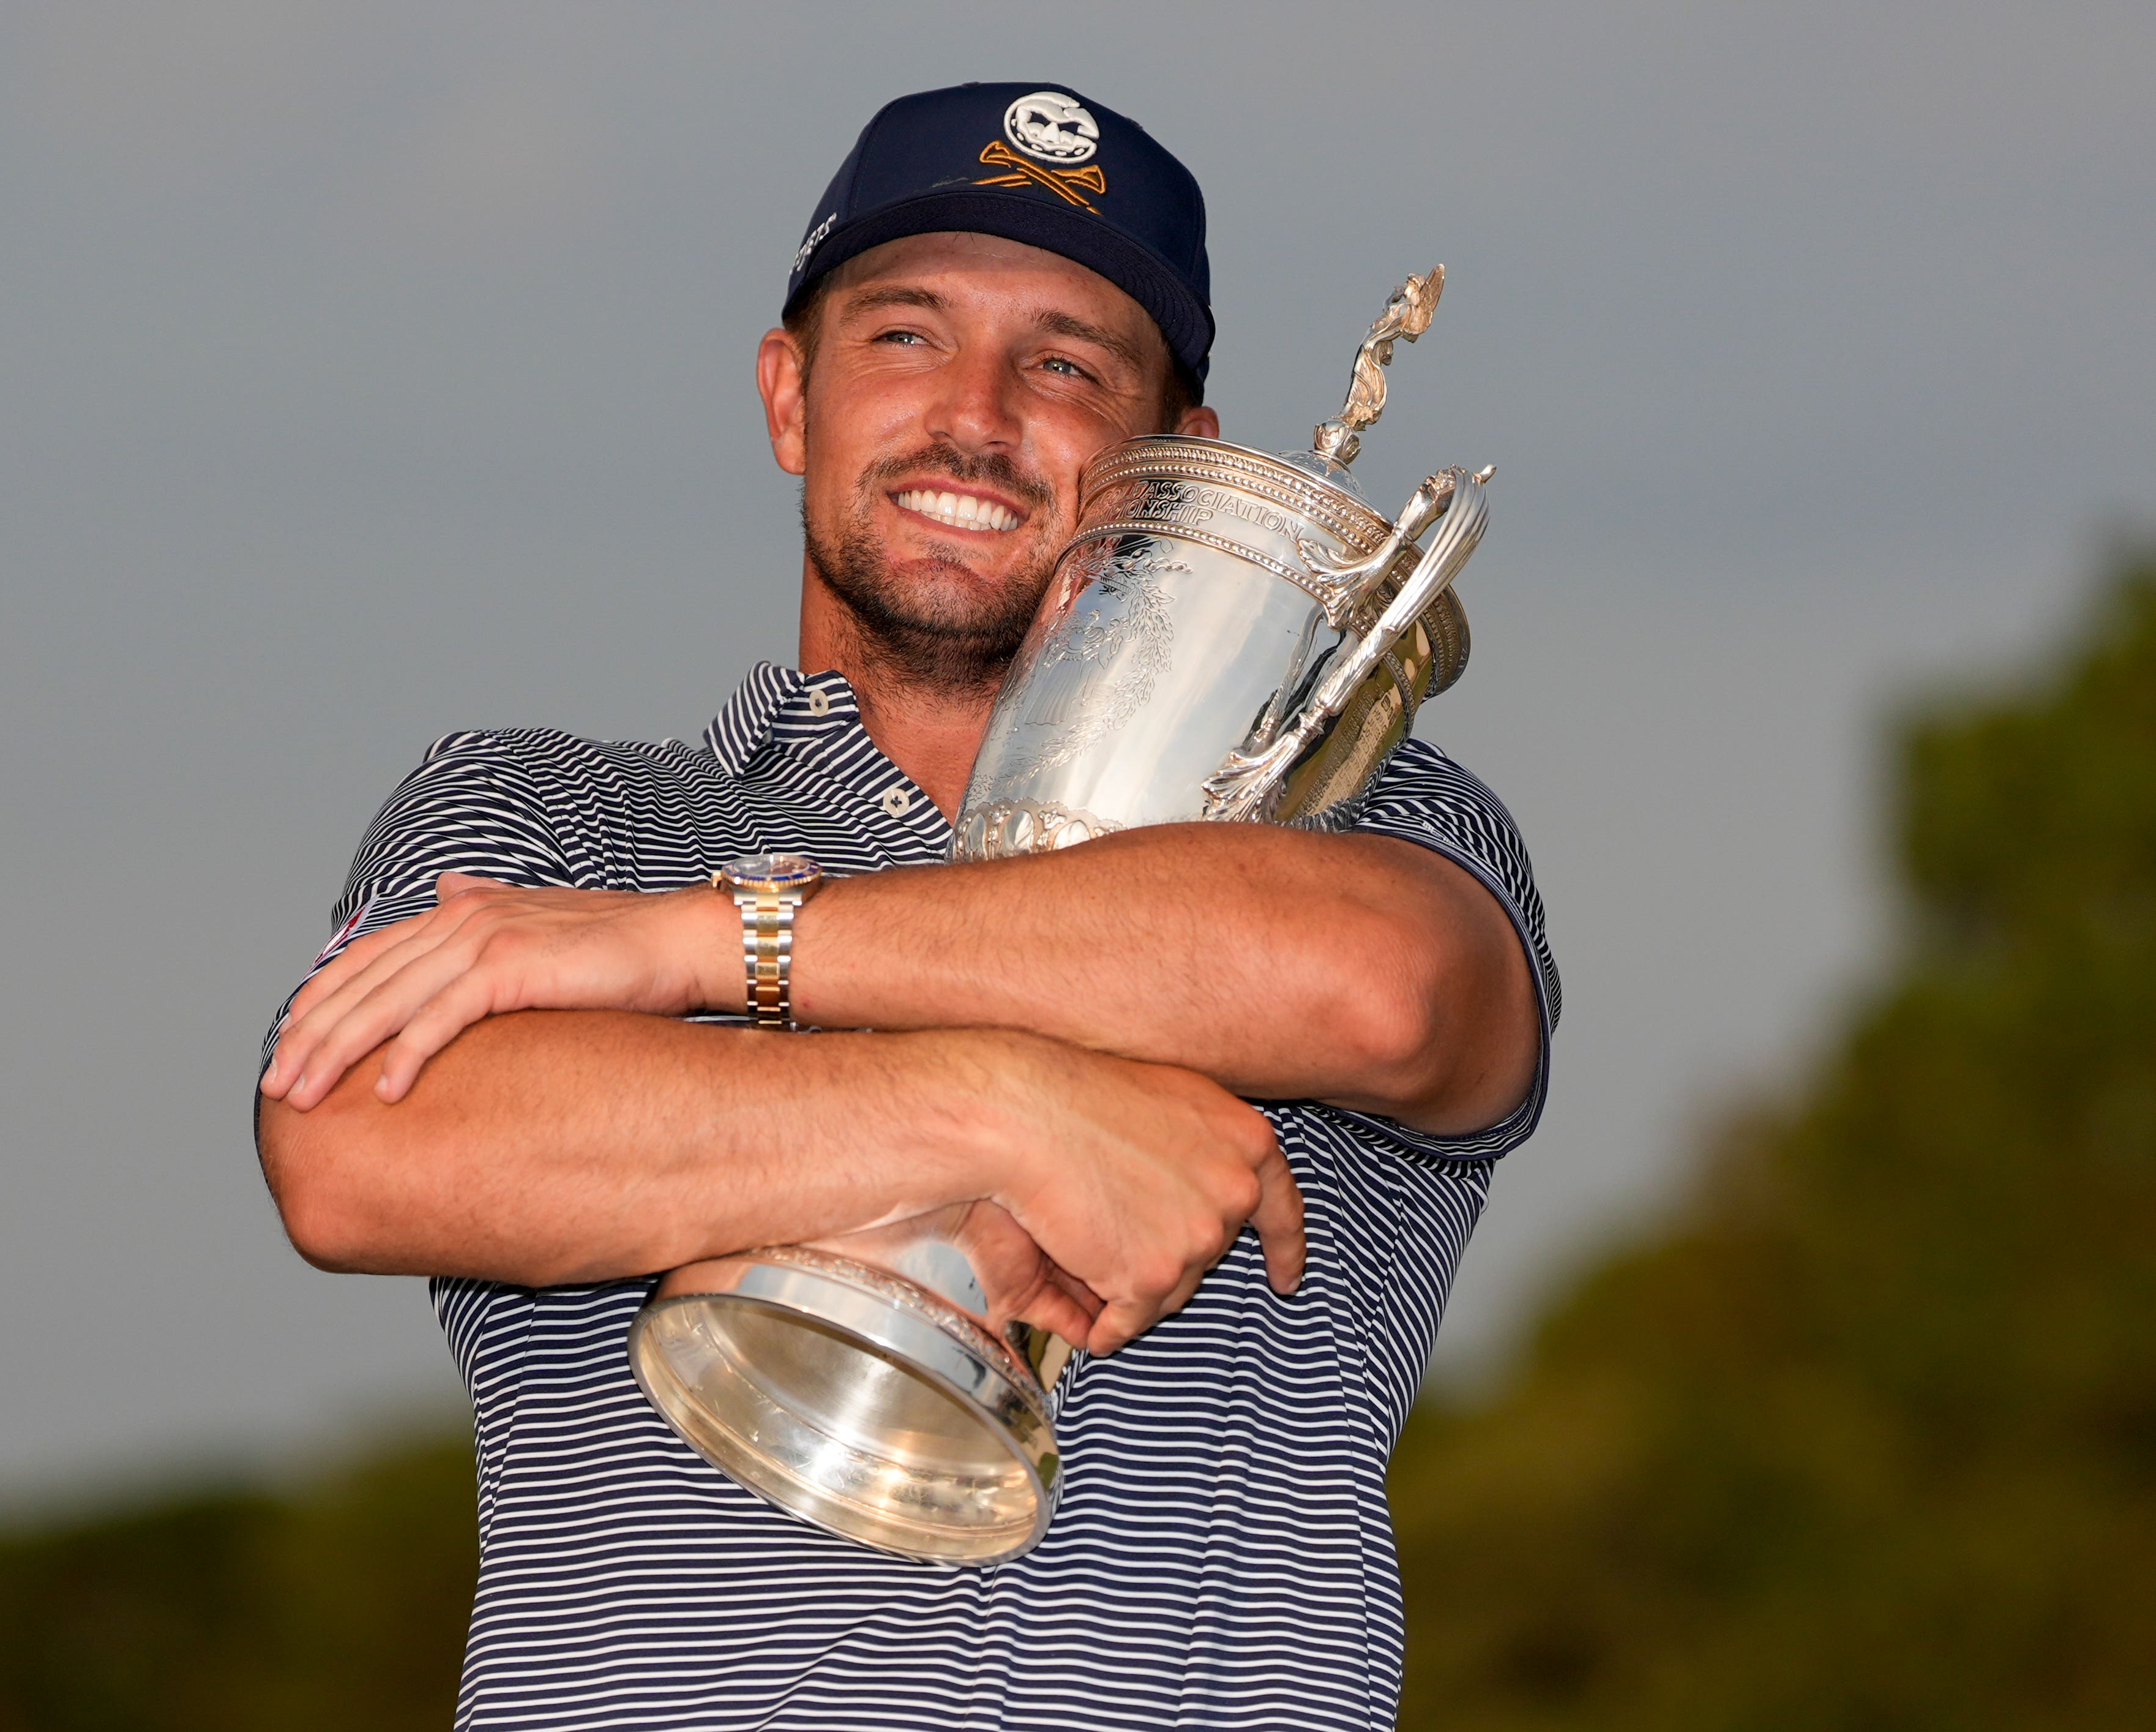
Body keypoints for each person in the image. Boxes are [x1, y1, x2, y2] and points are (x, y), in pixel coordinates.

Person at [255, 81, 1557, 1732]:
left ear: (1182, 465)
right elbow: (367, 1145)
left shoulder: (1364, 815)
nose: (977, 413)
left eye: (1067, 363)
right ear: (788, 394)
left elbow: (1370, 989)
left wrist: (702, 953)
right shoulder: (542, 816)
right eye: (904, 338)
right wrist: (1004, 1110)